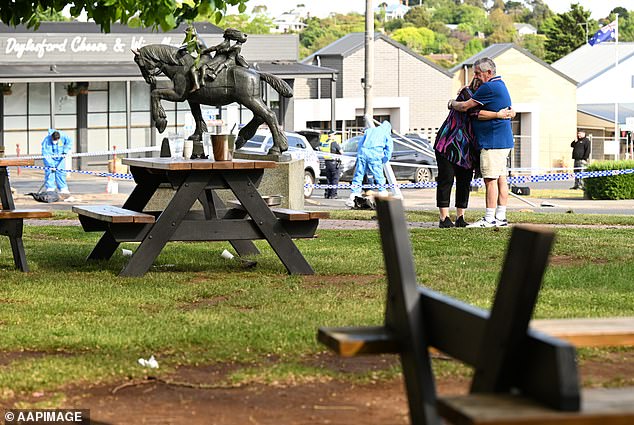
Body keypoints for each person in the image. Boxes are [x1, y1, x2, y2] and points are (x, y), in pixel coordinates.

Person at [449, 57, 515, 228]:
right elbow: (486, 113)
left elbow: (466, 107)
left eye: (478, 73)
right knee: (501, 179)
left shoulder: (489, 86)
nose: (476, 76)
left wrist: (452, 103)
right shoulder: (500, 84)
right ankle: (500, 217)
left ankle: (489, 218)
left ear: (489, 72)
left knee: (490, 180)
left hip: (492, 142)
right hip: (503, 140)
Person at [434, 77, 482, 228]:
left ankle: (460, 216)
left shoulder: (480, 97)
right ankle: (444, 218)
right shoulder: (467, 94)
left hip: (467, 147)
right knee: (446, 179)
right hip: (448, 143)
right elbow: (466, 107)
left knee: (464, 181)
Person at [346, 121, 394, 207]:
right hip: (375, 155)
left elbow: (360, 143)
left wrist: (360, 154)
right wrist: (385, 159)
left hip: (363, 154)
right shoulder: (386, 134)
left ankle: (353, 195)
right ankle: (383, 194)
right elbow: (389, 149)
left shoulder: (369, 131)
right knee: (379, 175)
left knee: (358, 175)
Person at [41, 129, 72, 194]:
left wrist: (65, 151)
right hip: (50, 158)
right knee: (50, 172)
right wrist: (50, 164)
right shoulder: (47, 140)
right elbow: (45, 153)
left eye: (56, 140)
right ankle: (50, 188)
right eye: (54, 140)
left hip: (60, 158)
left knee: (60, 172)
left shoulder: (63, 136)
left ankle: (63, 188)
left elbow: (69, 143)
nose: (55, 142)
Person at [320, 131, 343, 199]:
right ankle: (333, 194)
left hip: (326, 162)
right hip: (333, 162)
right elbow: (342, 152)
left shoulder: (325, 143)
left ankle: (327, 194)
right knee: (335, 179)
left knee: (329, 179)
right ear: (332, 135)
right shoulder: (334, 143)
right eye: (334, 135)